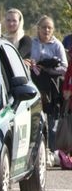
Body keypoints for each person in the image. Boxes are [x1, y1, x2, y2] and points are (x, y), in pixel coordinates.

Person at [28, 15, 67, 162]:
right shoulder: (33, 43)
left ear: (53, 30)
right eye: (43, 27)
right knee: (36, 120)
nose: (46, 30)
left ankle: (52, 153)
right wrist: (37, 67)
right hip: (37, 85)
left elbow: (65, 67)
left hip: (53, 88)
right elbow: (29, 62)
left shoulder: (57, 45)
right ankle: (36, 153)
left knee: (52, 123)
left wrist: (49, 68)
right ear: (38, 28)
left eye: (49, 27)